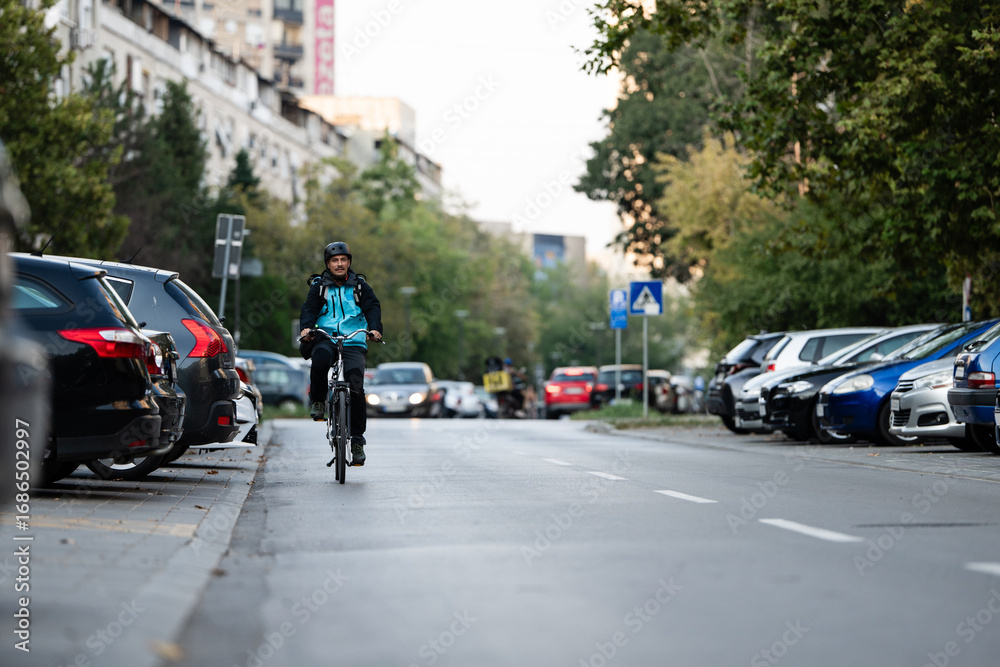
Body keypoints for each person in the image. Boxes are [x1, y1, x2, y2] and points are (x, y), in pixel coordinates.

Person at [299, 242, 383, 466]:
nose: (339, 264)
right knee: (320, 360)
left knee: (356, 387)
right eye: (335, 260)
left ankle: (356, 442)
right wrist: (306, 328)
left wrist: (374, 329)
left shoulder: (360, 286)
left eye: (343, 260)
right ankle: (318, 401)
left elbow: (373, 307)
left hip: (354, 339)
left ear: (349, 263)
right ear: (328, 264)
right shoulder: (319, 286)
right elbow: (309, 309)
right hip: (326, 336)